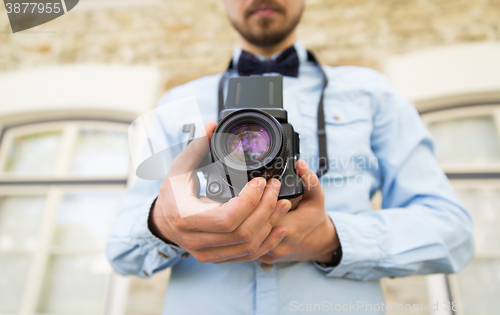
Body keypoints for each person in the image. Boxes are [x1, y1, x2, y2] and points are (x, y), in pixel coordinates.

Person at [106, 0, 474, 314]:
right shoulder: (176, 104)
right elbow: (120, 247)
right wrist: (165, 224)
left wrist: (331, 239)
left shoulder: (372, 93)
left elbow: (453, 232)